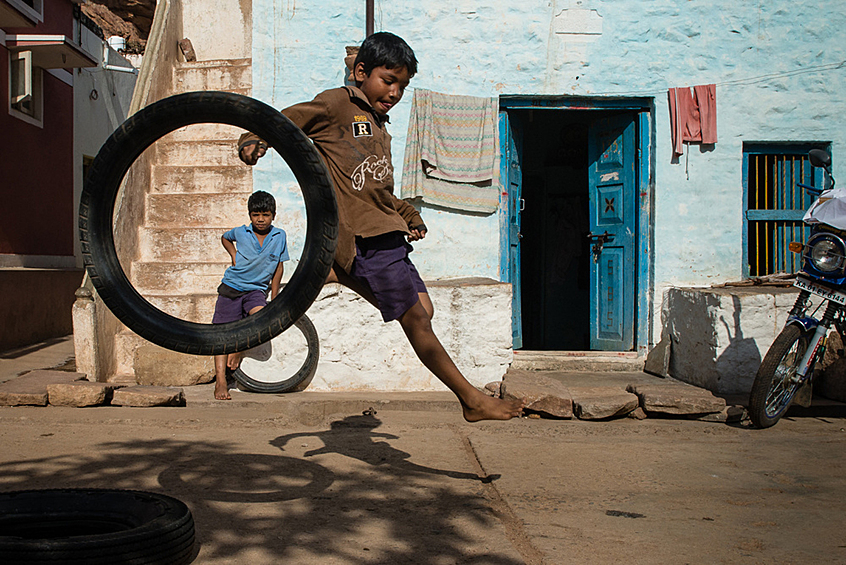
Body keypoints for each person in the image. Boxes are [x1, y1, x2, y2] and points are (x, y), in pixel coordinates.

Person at [237, 32, 523, 421]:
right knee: (416, 320)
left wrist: (410, 216)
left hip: (387, 233)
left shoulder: (380, 126)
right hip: (367, 237)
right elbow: (289, 120)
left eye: (402, 85)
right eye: (388, 80)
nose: (395, 91)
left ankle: (340, 270)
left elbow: (379, 191)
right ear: (360, 72)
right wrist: (255, 137)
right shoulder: (339, 104)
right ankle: (472, 400)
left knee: (425, 308)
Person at [211, 191, 289, 400]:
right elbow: (225, 238)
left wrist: (274, 297)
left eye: (265, 214)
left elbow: (278, 268)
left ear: (273, 215)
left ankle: (237, 349)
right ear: (250, 215)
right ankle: (220, 381)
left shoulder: (279, 236)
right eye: (256, 215)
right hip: (231, 287)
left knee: (261, 320)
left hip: (256, 291)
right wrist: (234, 255)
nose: (260, 219)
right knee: (220, 335)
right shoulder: (241, 233)